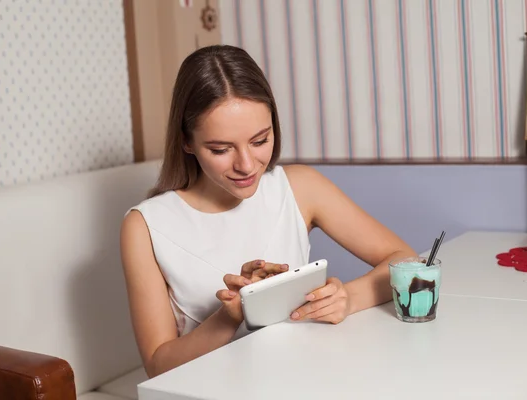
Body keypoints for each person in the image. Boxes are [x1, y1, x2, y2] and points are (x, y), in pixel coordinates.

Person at [120, 45, 416, 379]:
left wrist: (346, 298)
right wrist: (230, 315)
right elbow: (159, 366)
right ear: (186, 141)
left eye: (260, 140)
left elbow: (406, 260)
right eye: (220, 149)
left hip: (300, 378)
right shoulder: (146, 226)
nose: (246, 165)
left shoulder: (300, 186)